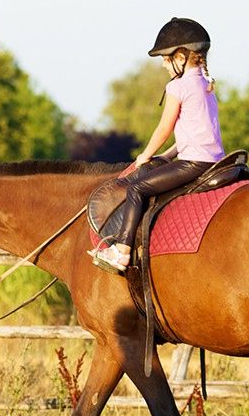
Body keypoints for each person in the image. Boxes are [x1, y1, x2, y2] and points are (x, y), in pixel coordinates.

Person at [90, 17, 225, 274]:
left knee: (137, 189)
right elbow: (198, 132)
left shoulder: (178, 86)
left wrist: (145, 155)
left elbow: (164, 128)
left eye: (167, 57)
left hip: (194, 163)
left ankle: (121, 251)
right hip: (213, 158)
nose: (164, 64)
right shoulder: (206, 85)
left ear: (182, 56)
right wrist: (168, 154)